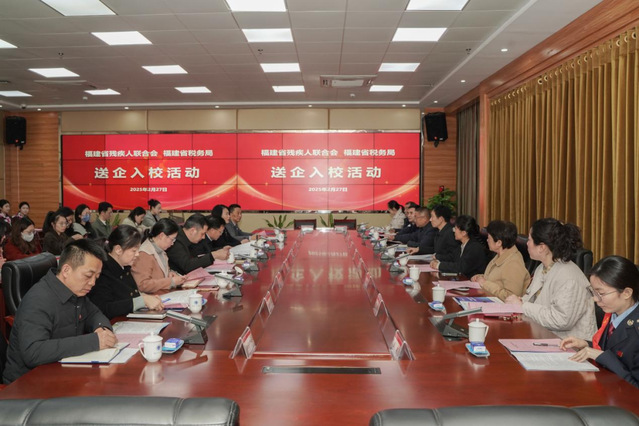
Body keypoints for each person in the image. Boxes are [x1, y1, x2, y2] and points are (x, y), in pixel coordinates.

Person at [2, 239, 116, 384]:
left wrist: (102, 329)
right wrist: (95, 341)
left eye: (96, 277)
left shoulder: (76, 290)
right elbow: (34, 352)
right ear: (66, 270)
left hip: (61, 373)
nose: (92, 283)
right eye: (88, 276)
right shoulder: (38, 300)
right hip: (28, 385)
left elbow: (94, 314)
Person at [505, 218, 596, 340]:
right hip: (544, 337)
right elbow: (532, 299)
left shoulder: (568, 277)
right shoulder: (543, 267)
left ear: (542, 247)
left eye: (530, 239)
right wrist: (518, 301)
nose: (527, 243)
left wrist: (523, 306)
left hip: (570, 345)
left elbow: (561, 320)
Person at [560, 256, 639, 388]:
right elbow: (613, 346)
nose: (595, 299)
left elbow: (635, 385)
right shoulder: (613, 313)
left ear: (626, 293)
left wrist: (602, 356)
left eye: (601, 293)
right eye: (593, 292)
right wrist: (586, 344)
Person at [89, 225, 163, 319]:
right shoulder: (103, 271)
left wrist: (146, 298)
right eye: (134, 251)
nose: (137, 254)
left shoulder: (124, 267)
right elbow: (104, 308)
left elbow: (130, 294)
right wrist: (142, 300)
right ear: (118, 250)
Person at [471, 220, 531, 301]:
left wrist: (484, 283)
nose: (487, 240)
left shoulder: (513, 263)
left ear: (499, 243)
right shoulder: (500, 255)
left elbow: (512, 297)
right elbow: (496, 278)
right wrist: (479, 277)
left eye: (489, 238)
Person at [131, 218, 187, 293]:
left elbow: (159, 273)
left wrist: (169, 274)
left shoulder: (160, 250)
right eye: (172, 239)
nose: (172, 243)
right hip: (152, 297)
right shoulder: (144, 254)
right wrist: (171, 281)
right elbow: (143, 285)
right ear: (162, 236)